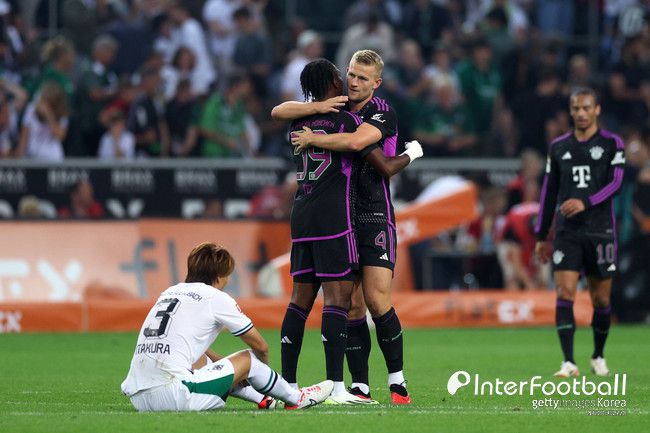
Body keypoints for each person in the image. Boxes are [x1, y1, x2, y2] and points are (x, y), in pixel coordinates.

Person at [273, 50, 422, 404]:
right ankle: (360, 386)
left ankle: (398, 381)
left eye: (362, 78)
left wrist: (313, 137)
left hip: (374, 214)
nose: (353, 82)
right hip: (341, 217)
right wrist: (316, 107)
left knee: (376, 299)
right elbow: (279, 111)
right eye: (351, 74)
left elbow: (362, 147)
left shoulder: (380, 112)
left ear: (376, 83)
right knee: (351, 305)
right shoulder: (335, 110)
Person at [121, 242, 333, 411]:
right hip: (176, 395)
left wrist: (233, 371)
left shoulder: (169, 292)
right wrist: (257, 373)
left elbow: (197, 350)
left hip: (139, 398)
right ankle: (296, 398)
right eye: (227, 275)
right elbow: (261, 347)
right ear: (218, 277)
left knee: (202, 358)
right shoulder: (215, 297)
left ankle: (262, 399)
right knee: (249, 358)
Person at [534, 87, 626, 378]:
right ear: (570, 111)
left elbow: (616, 183)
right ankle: (568, 362)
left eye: (586, 108)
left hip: (600, 230)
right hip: (568, 231)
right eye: (576, 108)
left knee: (601, 300)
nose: (581, 113)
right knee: (564, 292)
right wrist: (541, 235)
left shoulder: (612, 143)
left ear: (597, 110)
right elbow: (548, 192)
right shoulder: (558, 147)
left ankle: (598, 355)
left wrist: (585, 201)